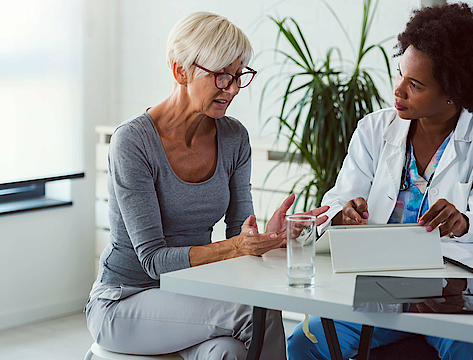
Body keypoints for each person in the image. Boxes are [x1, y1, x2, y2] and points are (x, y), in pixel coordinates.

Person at [84, 11, 328, 360]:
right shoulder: (133, 142)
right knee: (254, 312)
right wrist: (238, 247)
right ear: (180, 71)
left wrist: (266, 240)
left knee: (227, 352)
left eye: (238, 75)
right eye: (220, 76)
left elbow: (239, 233)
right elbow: (154, 261)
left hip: (190, 298)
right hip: (124, 301)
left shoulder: (233, 137)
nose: (231, 88)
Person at [287, 3, 473, 360]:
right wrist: (343, 213)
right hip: (376, 292)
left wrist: (462, 222)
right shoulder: (374, 130)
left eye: (415, 84)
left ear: (453, 92)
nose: (398, 91)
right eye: (400, 75)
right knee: (305, 342)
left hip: (450, 295)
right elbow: (335, 201)